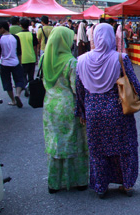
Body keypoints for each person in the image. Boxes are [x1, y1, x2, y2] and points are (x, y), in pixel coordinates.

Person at [75, 23, 140, 198]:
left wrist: (81, 112)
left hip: (93, 111)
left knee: (98, 150)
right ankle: (127, 185)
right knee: (125, 148)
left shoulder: (81, 60)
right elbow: (134, 84)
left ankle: (101, 186)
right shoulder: (121, 58)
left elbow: (79, 90)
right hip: (118, 111)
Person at [42, 26, 89, 193]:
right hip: (68, 105)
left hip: (50, 105)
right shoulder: (71, 62)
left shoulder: (45, 59)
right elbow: (77, 89)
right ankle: (79, 180)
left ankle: (54, 183)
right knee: (75, 142)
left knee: (55, 143)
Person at [0, 21, 25, 107]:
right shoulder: (15, 37)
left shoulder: (0, 38)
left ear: (2, 28)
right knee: (19, 80)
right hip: (15, 62)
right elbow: (19, 52)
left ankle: (13, 100)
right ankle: (17, 94)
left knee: (7, 82)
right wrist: (20, 63)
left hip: (4, 63)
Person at [16, 18, 39, 97]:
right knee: (31, 76)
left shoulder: (17, 35)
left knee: (23, 75)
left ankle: (26, 87)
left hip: (22, 59)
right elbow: (35, 47)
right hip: (31, 58)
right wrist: (36, 58)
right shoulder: (32, 35)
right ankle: (31, 89)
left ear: (21, 25)